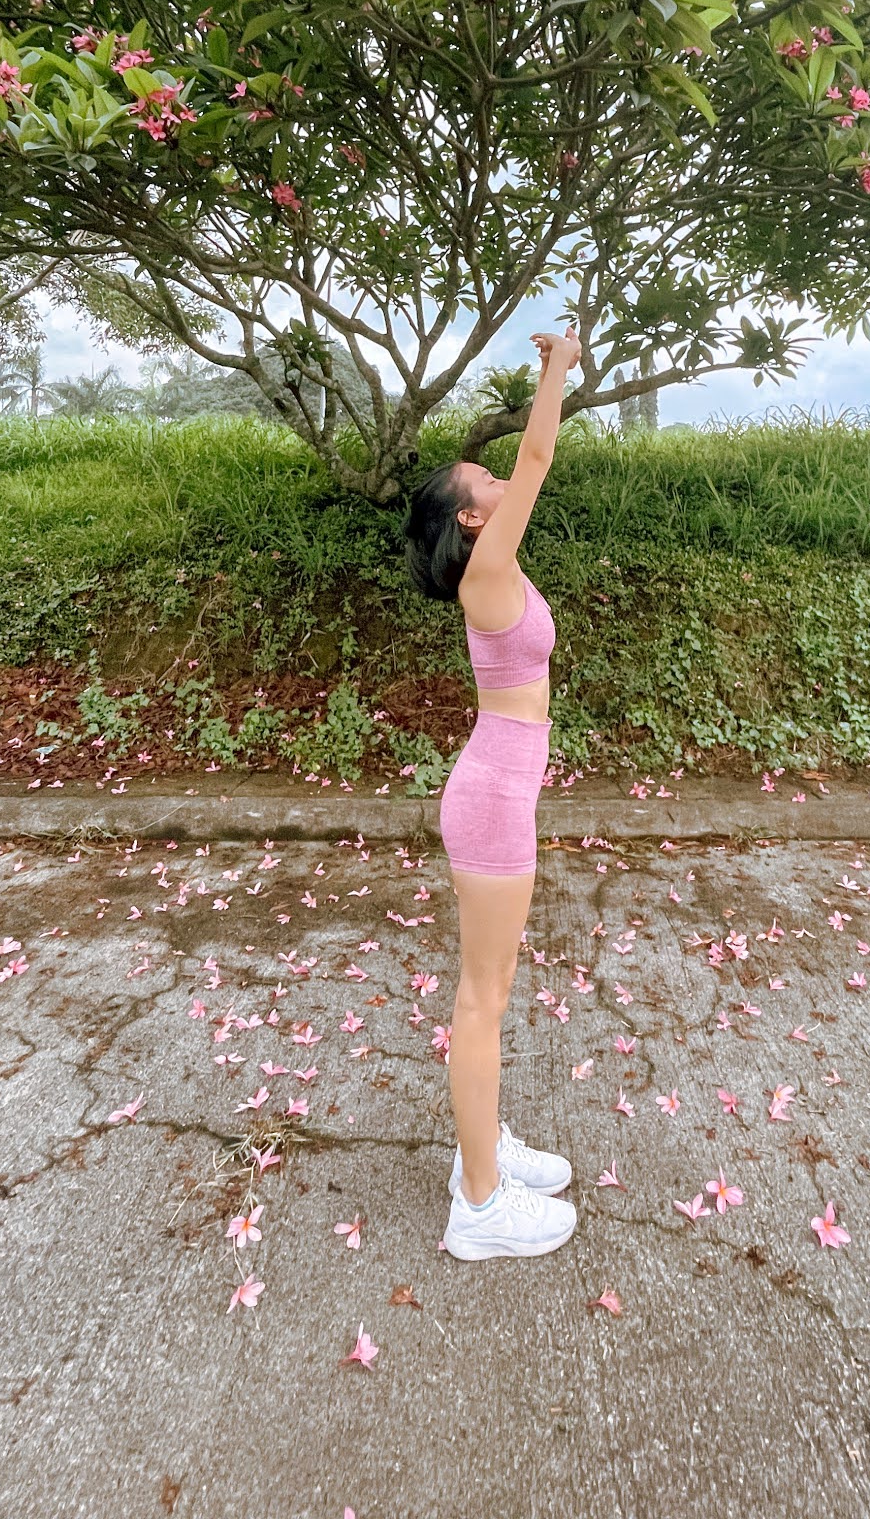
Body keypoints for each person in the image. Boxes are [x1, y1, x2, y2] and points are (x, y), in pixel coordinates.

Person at [402, 323, 582, 1259]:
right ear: (472, 519)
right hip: (490, 800)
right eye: (487, 485)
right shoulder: (488, 573)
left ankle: (486, 1148)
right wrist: (557, 368)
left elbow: (534, 465)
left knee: (493, 989)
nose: (504, 485)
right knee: (482, 995)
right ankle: (478, 1206)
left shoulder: (492, 569)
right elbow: (543, 450)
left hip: (501, 791)